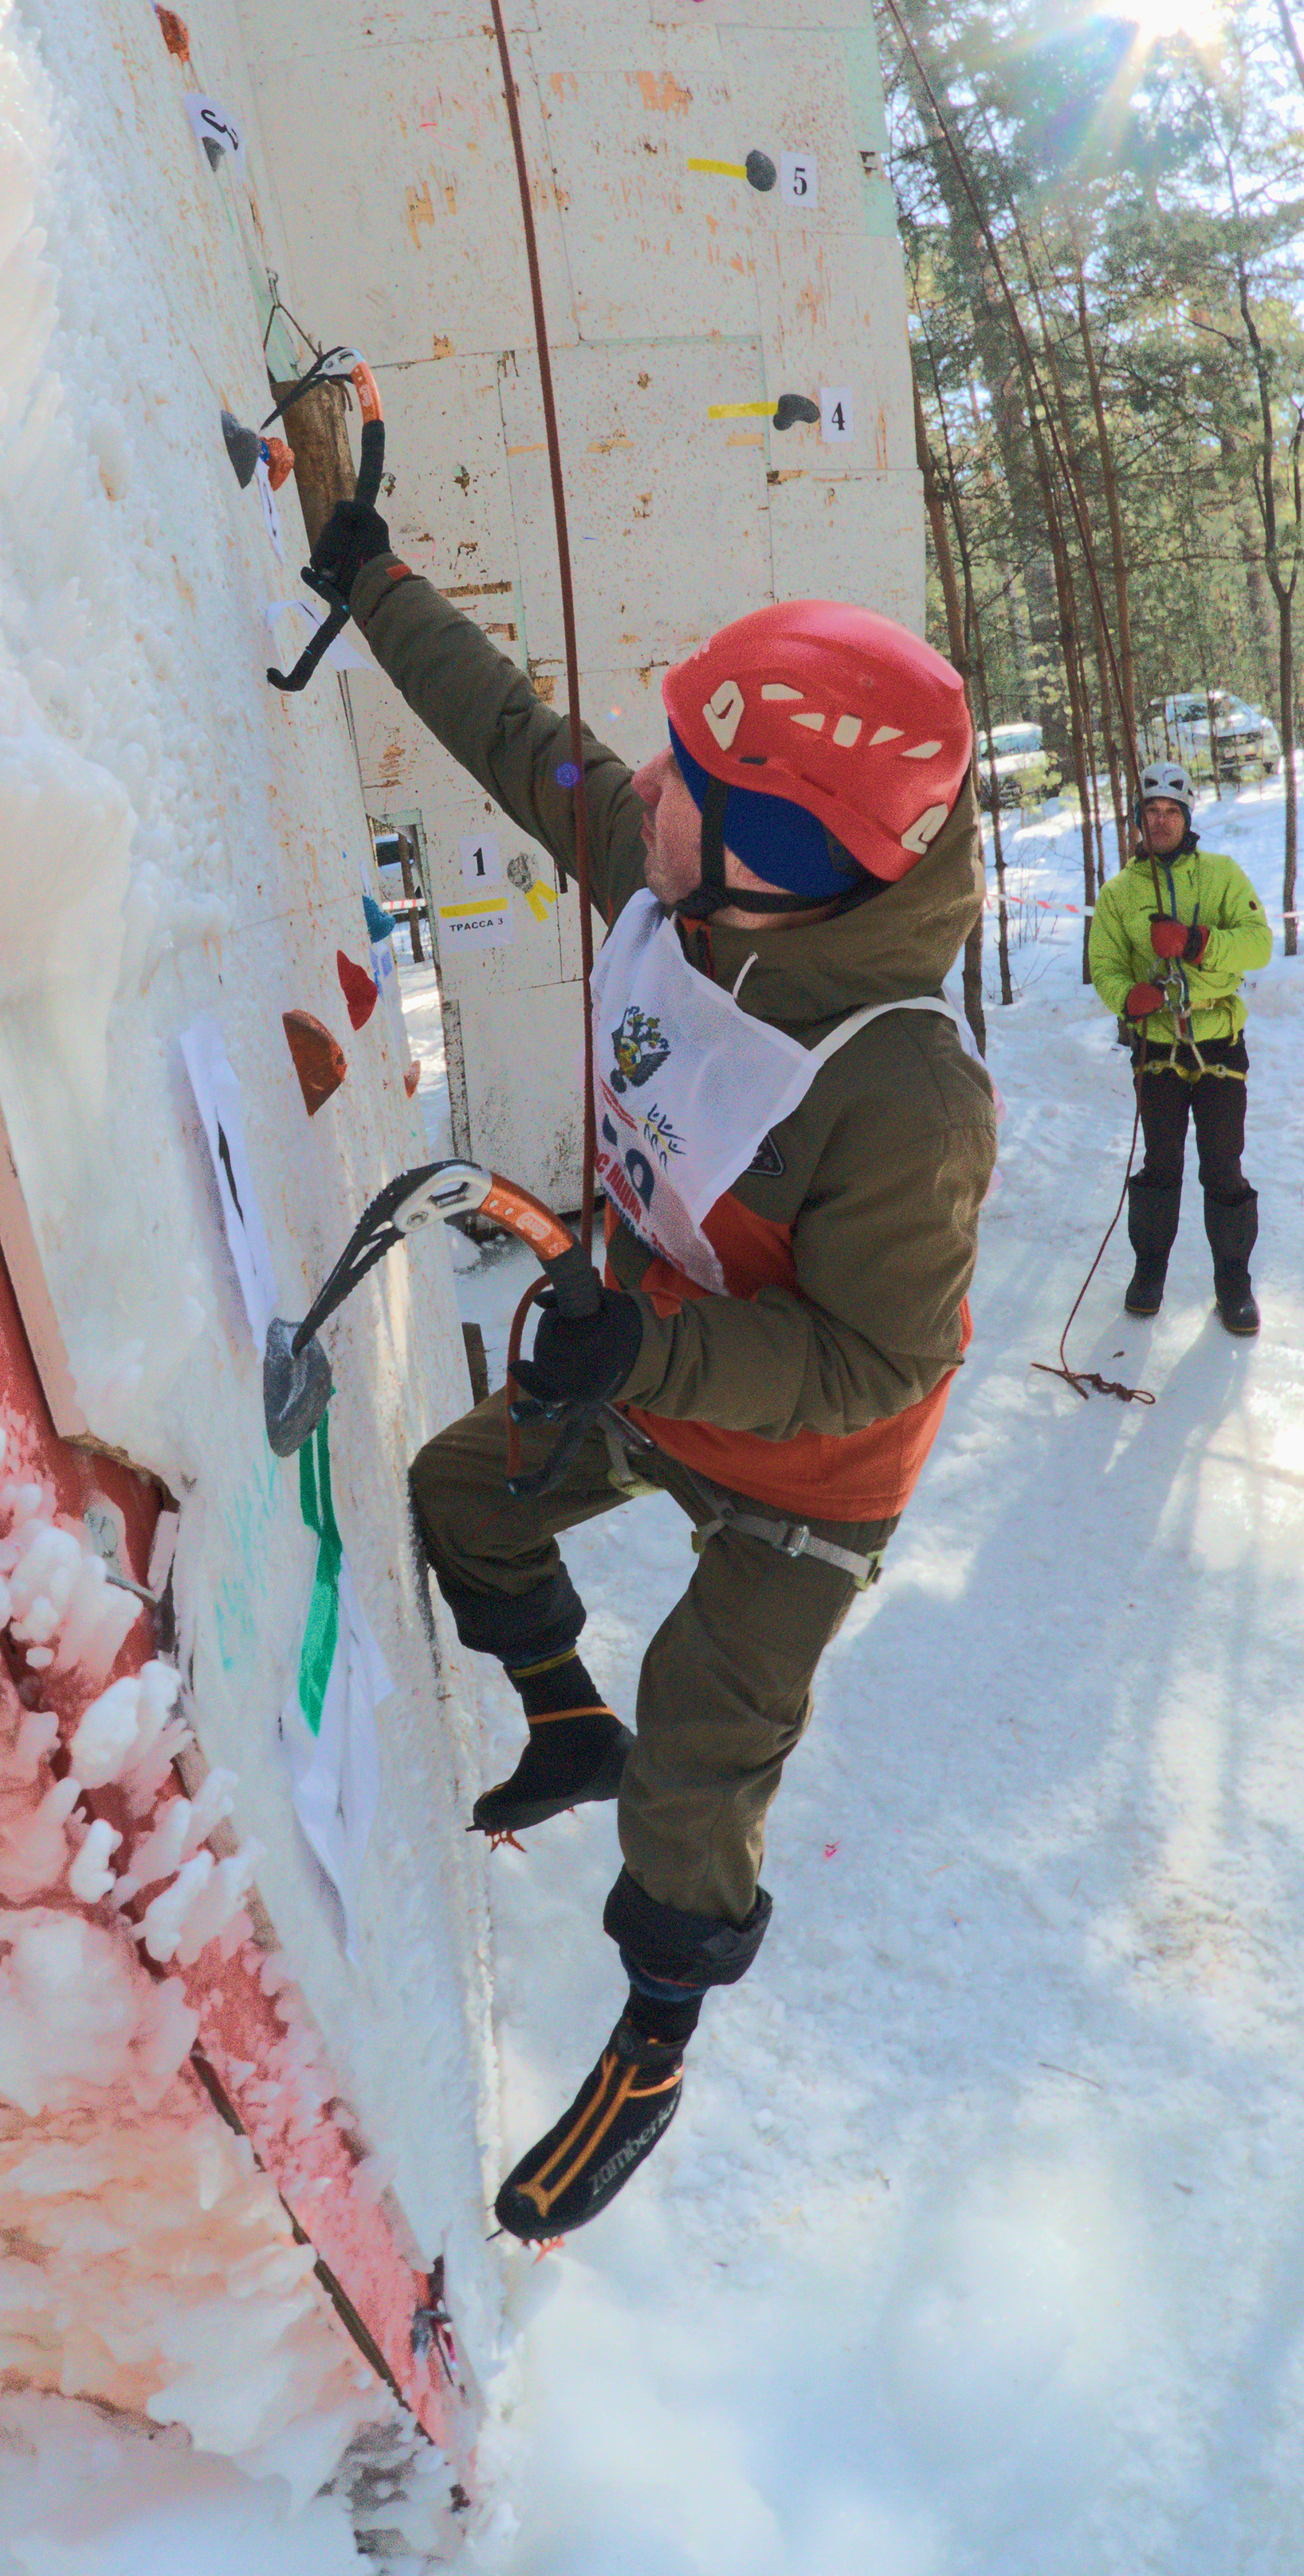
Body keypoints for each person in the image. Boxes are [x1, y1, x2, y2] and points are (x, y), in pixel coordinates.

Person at [309, 490, 996, 2241]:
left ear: (774, 849)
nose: (644, 791)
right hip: (653, 1374)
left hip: (799, 1477)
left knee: (702, 1754)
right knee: (461, 1495)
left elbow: (873, 1359)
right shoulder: (686, 880)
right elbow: (521, 744)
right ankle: (559, 1717)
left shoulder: (901, 1087)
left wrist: (653, 1344)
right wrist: (369, 579)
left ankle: (657, 2034)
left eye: (688, 778)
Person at [1089, 760, 1273, 1335]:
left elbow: (1258, 945)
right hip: (1157, 1052)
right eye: (1152, 811)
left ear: (1186, 817)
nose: (1162, 821)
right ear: (1139, 820)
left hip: (1217, 1042)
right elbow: (1105, 965)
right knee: (1160, 1165)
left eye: (1172, 811)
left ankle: (1234, 1283)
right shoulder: (1120, 894)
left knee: (1223, 1166)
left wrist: (1198, 942)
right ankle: (1149, 1272)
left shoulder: (1221, 875)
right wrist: (1129, 999)